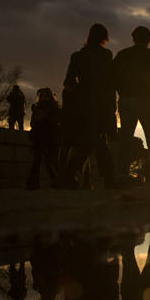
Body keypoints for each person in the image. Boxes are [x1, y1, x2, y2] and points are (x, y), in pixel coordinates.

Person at [61, 23, 116, 189]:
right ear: (104, 38)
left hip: (82, 105)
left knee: (91, 140)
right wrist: (111, 107)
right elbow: (110, 82)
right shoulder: (106, 55)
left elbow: (68, 83)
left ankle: (72, 173)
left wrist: (78, 95)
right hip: (101, 104)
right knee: (96, 141)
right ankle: (107, 177)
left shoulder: (78, 56)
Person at [112, 26, 150, 182]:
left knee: (126, 139)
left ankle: (121, 174)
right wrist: (148, 90)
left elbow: (113, 77)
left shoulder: (123, 55)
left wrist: (123, 90)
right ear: (149, 39)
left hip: (127, 99)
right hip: (145, 101)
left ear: (133, 38)